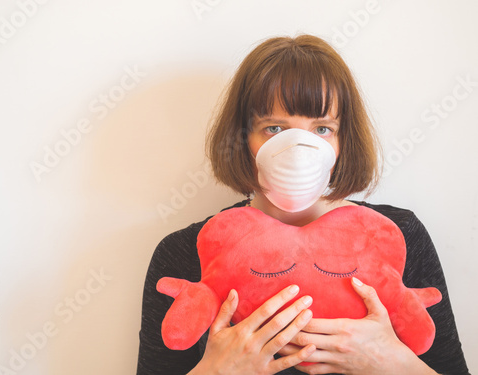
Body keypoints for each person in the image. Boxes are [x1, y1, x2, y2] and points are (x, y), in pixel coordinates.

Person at [136, 35, 470, 375]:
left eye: (322, 128)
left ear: (343, 140)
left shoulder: (394, 239)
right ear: (241, 137)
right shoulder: (186, 253)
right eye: (274, 128)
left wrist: (391, 362)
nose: (298, 149)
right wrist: (216, 371)